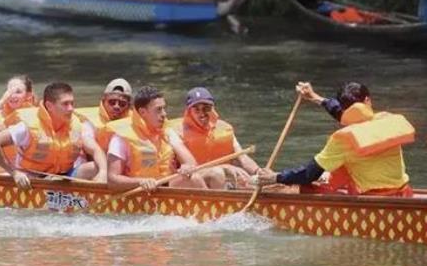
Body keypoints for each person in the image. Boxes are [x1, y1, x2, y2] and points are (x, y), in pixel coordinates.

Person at [256, 82, 415, 197]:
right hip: (404, 193)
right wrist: (316, 98)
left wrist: (276, 177)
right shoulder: (387, 120)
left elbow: (309, 174)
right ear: (367, 100)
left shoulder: (343, 140)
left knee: (305, 186)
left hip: (373, 202)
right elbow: (350, 114)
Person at [0, 82, 107, 189]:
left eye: (72, 103)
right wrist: (14, 173)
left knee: (96, 166)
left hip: (65, 176)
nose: (71, 109)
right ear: (49, 106)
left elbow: (96, 150)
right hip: (31, 179)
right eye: (65, 104)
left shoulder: (77, 125)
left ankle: (92, 195)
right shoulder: (28, 126)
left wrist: (102, 172)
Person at [107, 85, 216, 191]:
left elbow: (191, 163)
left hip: (165, 187)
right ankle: (216, 207)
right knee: (195, 180)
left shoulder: (167, 132)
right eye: (158, 110)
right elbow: (112, 180)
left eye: (164, 108)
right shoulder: (121, 138)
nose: (164, 114)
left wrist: (187, 167)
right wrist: (140, 182)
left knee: (208, 176)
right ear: (142, 112)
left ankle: (217, 206)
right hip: (140, 192)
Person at [169, 87, 260, 188]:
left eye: (206, 108)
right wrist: (224, 167)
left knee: (251, 181)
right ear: (189, 111)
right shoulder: (175, 131)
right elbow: (190, 167)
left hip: (225, 179)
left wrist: (259, 171)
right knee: (216, 173)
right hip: (193, 179)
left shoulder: (225, 129)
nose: (202, 113)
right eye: (196, 109)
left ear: (212, 108)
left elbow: (242, 157)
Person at [74, 78, 133, 152]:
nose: (116, 106)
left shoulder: (136, 121)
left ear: (129, 106)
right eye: (112, 102)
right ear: (103, 100)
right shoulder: (85, 117)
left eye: (122, 104)